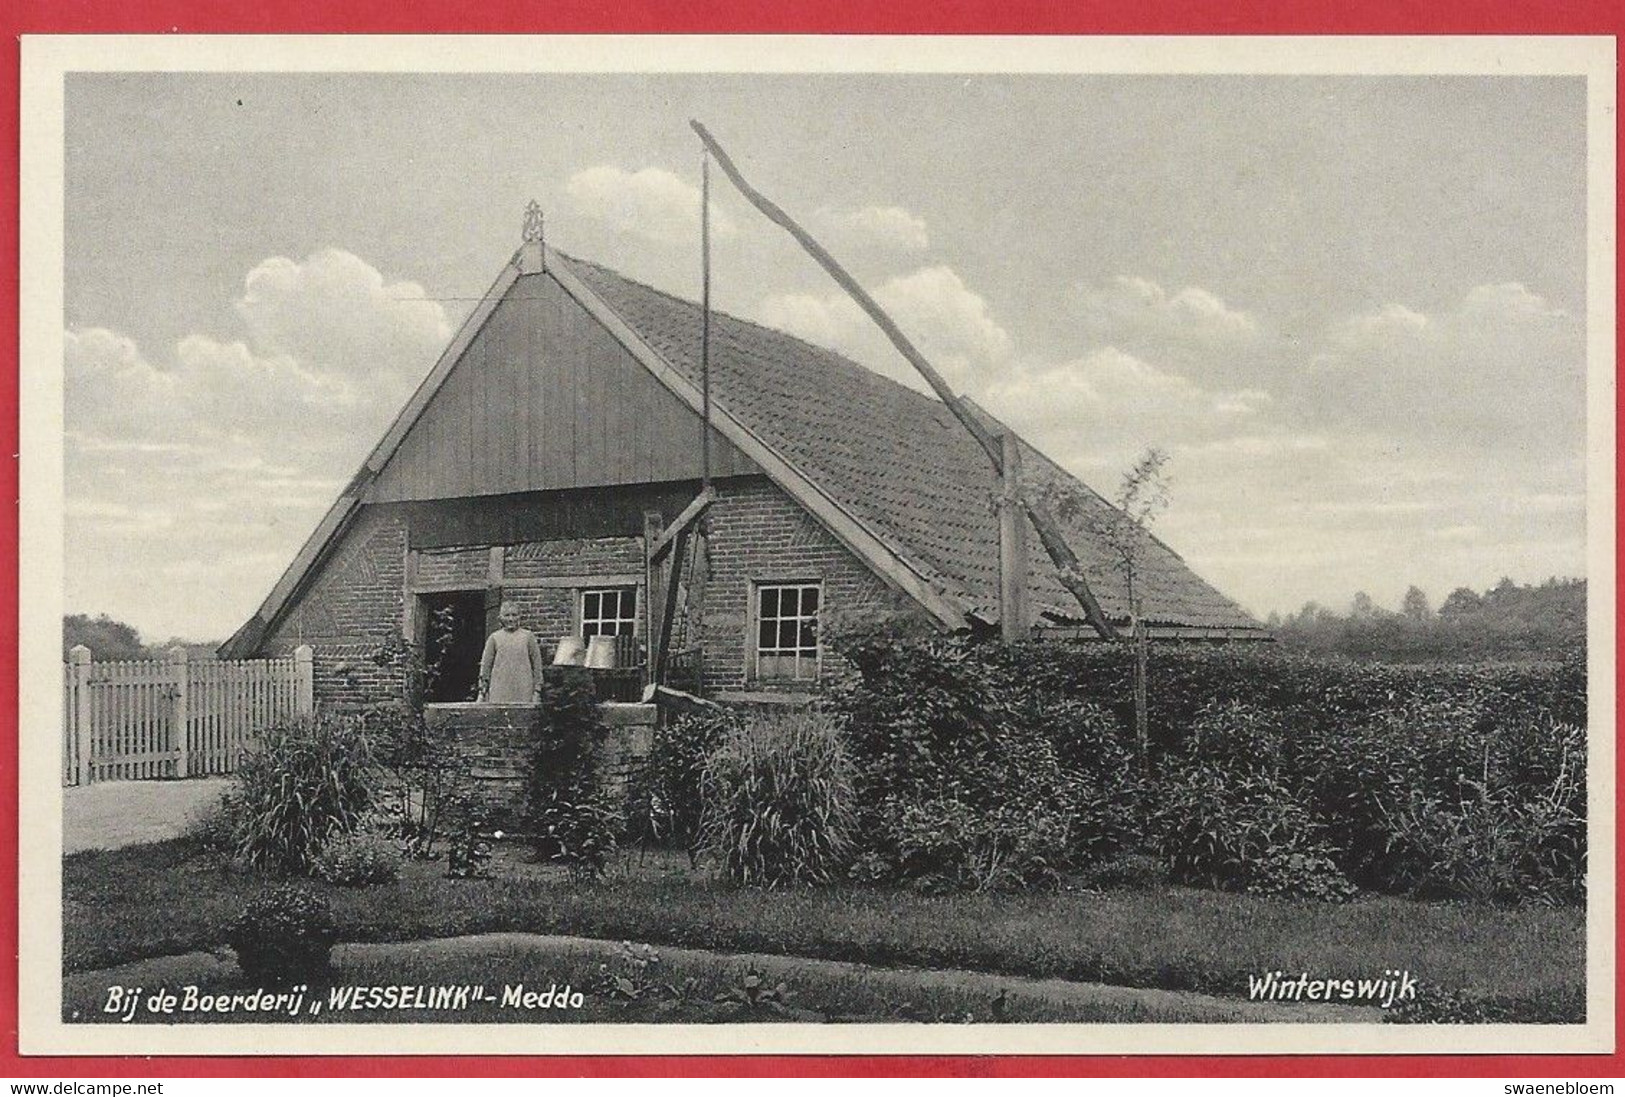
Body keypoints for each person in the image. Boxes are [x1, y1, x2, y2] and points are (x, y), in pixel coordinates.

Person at [477, 601, 544, 703]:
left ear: (519, 617)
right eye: (507, 615)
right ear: (501, 618)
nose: (511, 619)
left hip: (523, 688)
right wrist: (482, 691)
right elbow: (486, 666)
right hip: (499, 689)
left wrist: (537, 691)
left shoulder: (528, 637)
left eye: (514, 615)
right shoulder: (494, 638)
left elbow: (537, 665)